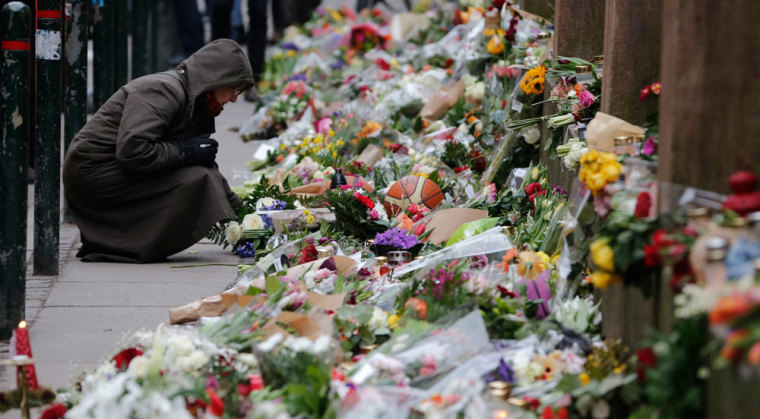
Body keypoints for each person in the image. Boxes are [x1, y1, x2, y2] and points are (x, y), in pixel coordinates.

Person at [63, 39, 254, 263]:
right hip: (93, 174)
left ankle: (118, 242)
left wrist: (248, 219)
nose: (233, 98)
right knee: (197, 178)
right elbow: (133, 150)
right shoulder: (163, 90)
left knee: (201, 173)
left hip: (110, 168)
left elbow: (208, 169)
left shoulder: (194, 99)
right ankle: (122, 244)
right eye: (234, 89)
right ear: (216, 79)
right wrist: (185, 152)